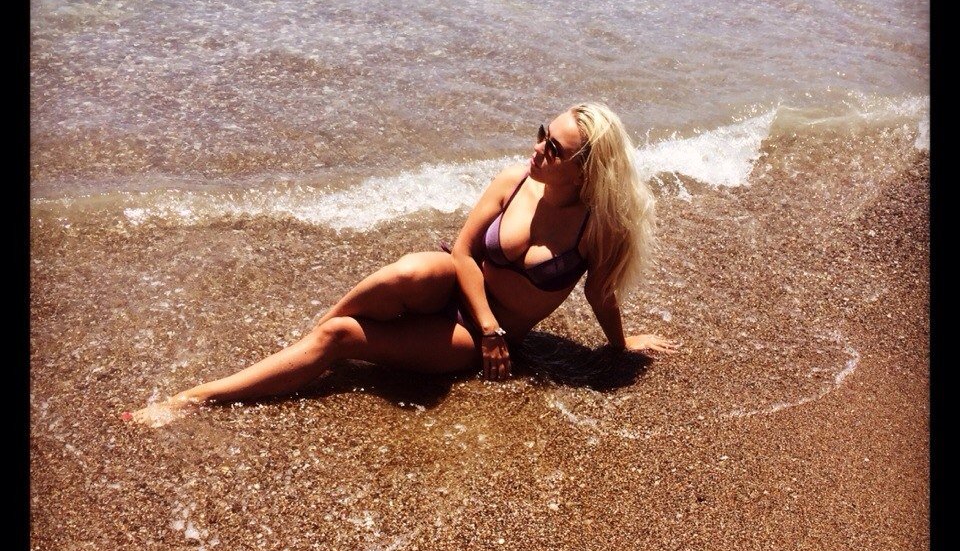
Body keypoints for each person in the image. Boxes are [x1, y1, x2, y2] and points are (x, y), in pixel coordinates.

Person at [128, 103, 679, 427]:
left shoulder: (599, 228)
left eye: (554, 148)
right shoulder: (514, 181)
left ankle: (194, 399)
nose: (537, 149)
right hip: (459, 289)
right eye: (542, 134)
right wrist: (490, 323)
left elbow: (600, 294)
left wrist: (621, 345)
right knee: (406, 274)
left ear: (586, 169)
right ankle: (303, 348)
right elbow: (462, 252)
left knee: (343, 338)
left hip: (473, 336)